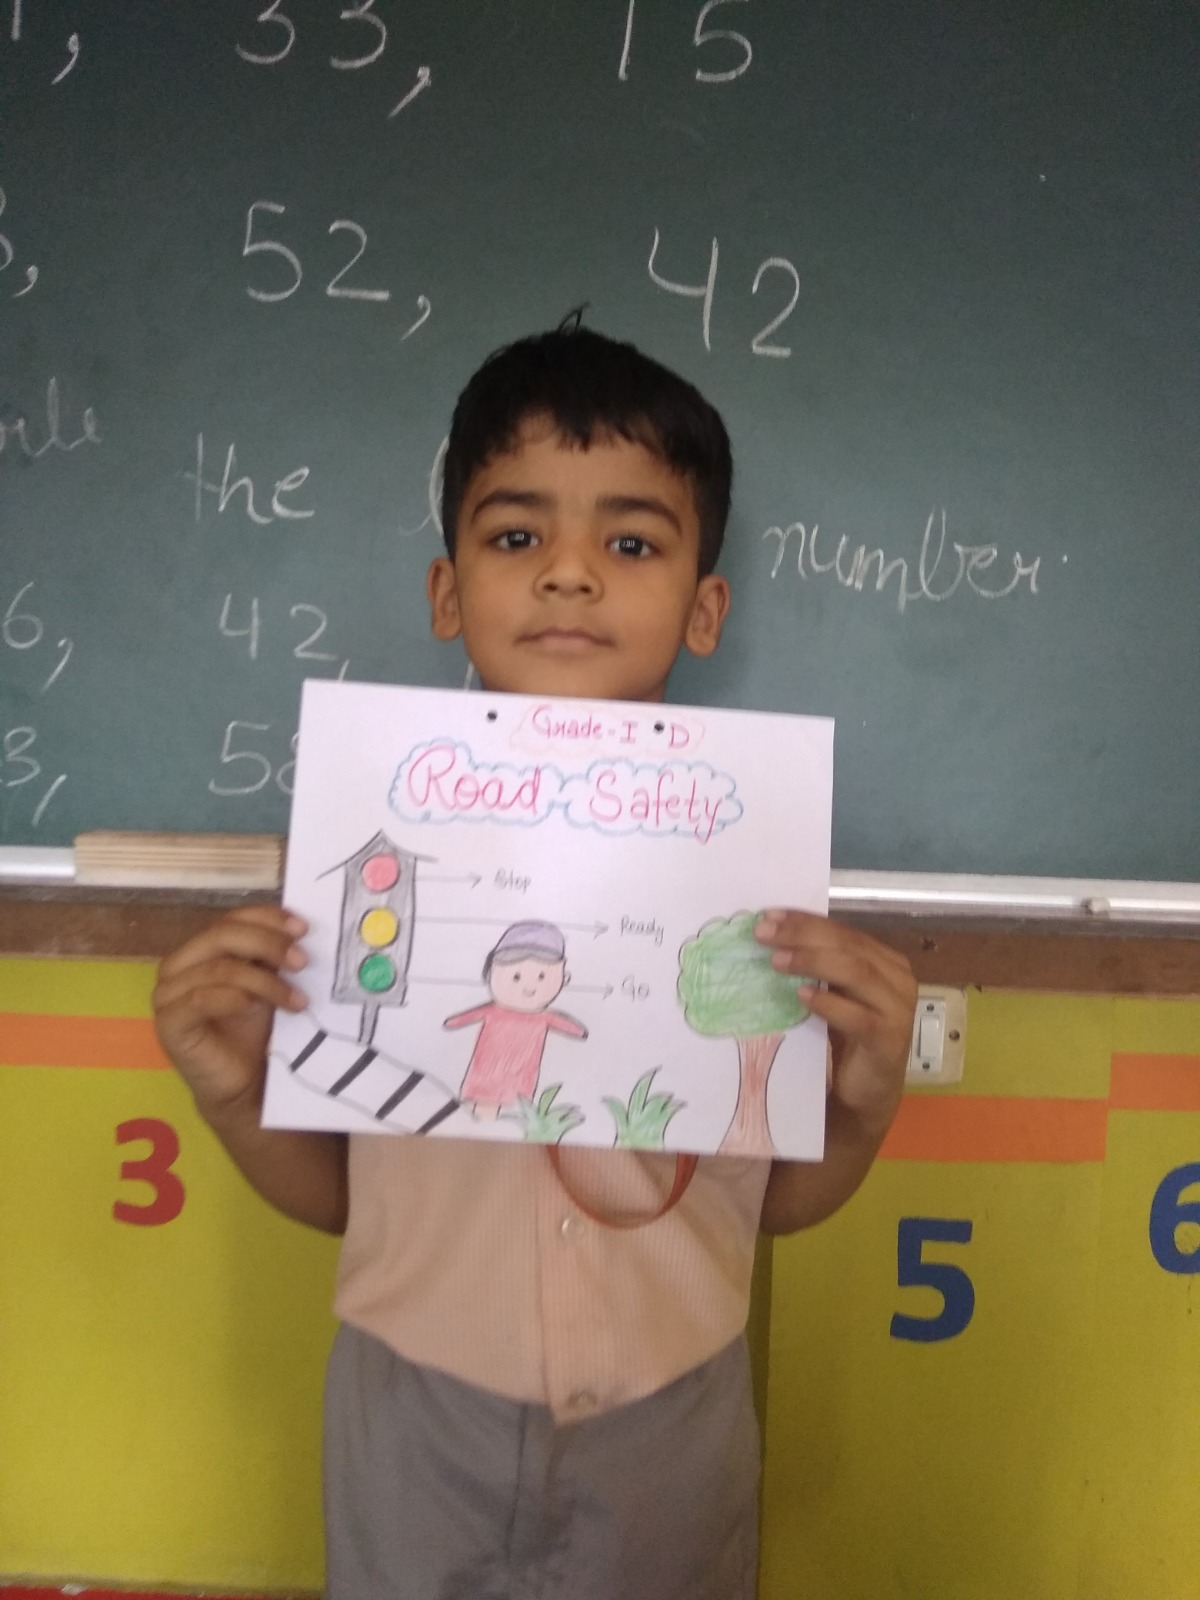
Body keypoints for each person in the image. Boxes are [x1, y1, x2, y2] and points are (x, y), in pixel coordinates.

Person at [153, 320, 918, 1600]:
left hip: (674, 1415)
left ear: (705, 605)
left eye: (632, 543)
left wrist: (864, 1101)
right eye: (516, 538)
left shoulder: (757, 878)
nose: (569, 575)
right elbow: (345, 1194)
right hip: (416, 1410)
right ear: (447, 591)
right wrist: (233, 1089)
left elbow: (774, 1203)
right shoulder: (367, 859)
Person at [443, 919, 587, 1118]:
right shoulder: (493, 1011)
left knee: (513, 1114)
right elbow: (461, 1019)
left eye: (542, 977)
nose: (529, 987)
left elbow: (570, 1027)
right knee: (484, 1107)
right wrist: (451, 1022)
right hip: (486, 1072)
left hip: (521, 1076)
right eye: (516, 977)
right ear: (490, 973)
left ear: (564, 978)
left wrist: (580, 1032)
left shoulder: (542, 1017)